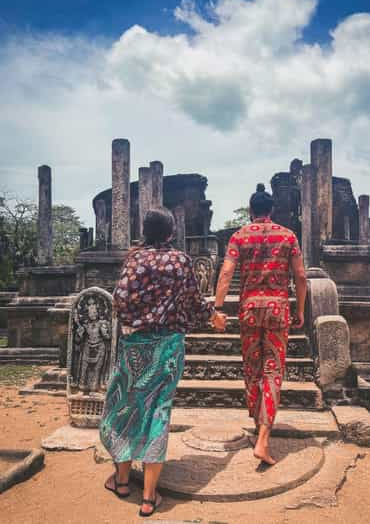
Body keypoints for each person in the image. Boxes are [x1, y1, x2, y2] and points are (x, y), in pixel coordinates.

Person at [100, 207, 226, 517]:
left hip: (135, 346)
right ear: (171, 233)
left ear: (145, 231)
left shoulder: (134, 259)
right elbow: (195, 301)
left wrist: (139, 318)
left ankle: (122, 480)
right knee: (158, 411)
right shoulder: (180, 261)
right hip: (169, 345)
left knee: (126, 407)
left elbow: (119, 300)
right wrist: (212, 317)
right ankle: (149, 497)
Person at [215, 184, 307, 465]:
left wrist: (218, 307)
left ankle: (258, 422)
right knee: (273, 370)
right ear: (272, 210)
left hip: (250, 310)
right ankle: (264, 438)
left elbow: (227, 271)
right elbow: (301, 276)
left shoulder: (239, 236)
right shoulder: (288, 236)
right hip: (279, 309)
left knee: (252, 367)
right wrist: (299, 309)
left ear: (251, 210)